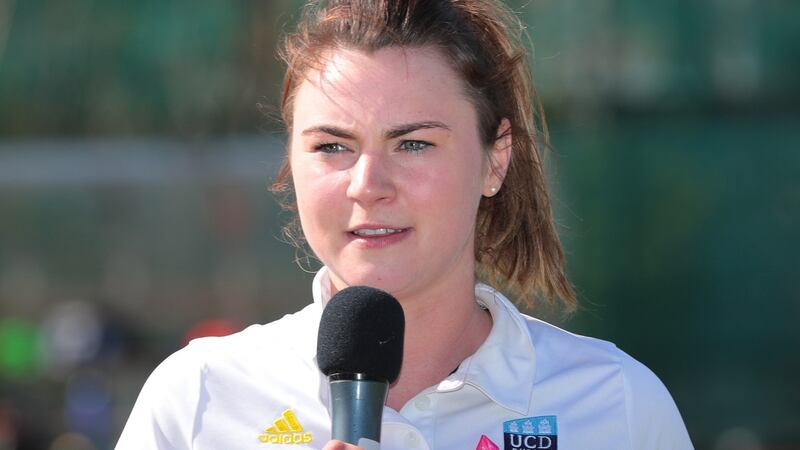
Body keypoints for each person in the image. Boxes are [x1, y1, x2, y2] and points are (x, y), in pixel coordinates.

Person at [117, 0, 693, 449]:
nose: (367, 184)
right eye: (333, 146)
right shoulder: (198, 397)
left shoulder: (617, 404)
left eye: (413, 143)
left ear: (496, 159)